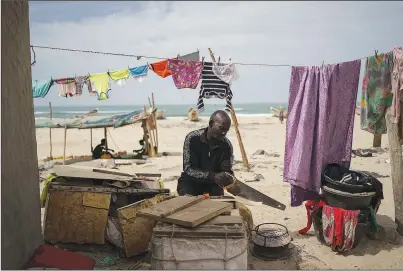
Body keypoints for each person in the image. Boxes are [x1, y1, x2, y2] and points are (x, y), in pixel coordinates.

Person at [177, 110, 234, 196]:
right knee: (187, 200)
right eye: (221, 128)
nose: (224, 133)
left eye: (226, 130)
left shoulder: (227, 146)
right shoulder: (192, 138)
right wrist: (212, 176)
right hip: (191, 183)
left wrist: (227, 177)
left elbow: (226, 170)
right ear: (211, 124)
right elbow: (188, 169)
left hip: (212, 185)